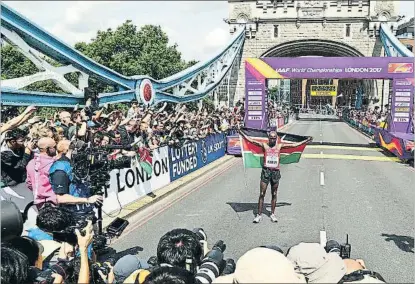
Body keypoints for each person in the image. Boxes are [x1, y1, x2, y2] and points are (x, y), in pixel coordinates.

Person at [238, 130, 311, 223]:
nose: (272, 140)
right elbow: (251, 140)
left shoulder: (279, 146)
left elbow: (294, 145)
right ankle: (259, 215)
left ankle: (272, 214)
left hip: (275, 172)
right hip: (266, 171)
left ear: (276, 138)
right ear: (268, 138)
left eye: (274, 138)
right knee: (261, 194)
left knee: (274, 194)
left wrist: (305, 141)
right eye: (271, 138)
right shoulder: (264, 145)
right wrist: (241, 133)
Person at [49, 140, 103, 223]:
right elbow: (61, 198)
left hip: (88, 214)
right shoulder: (60, 168)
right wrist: (87, 200)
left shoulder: (80, 164)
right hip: (72, 217)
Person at [26, 137, 57, 209]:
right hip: (54, 202)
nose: (56, 149)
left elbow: (29, 183)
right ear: (48, 149)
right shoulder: (53, 164)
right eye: (54, 147)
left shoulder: (31, 163)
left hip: (39, 204)